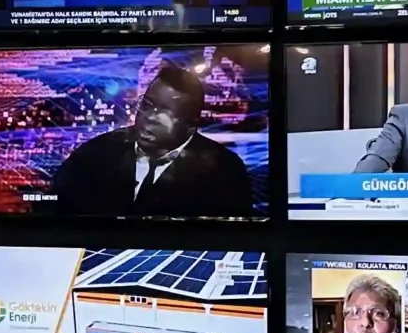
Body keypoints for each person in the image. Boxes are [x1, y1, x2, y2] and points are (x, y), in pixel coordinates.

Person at [48, 62, 254, 218]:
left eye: (165, 114)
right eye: (147, 105)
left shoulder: (226, 172)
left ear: (191, 124)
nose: (148, 118)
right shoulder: (93, 155)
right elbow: (53, 210)